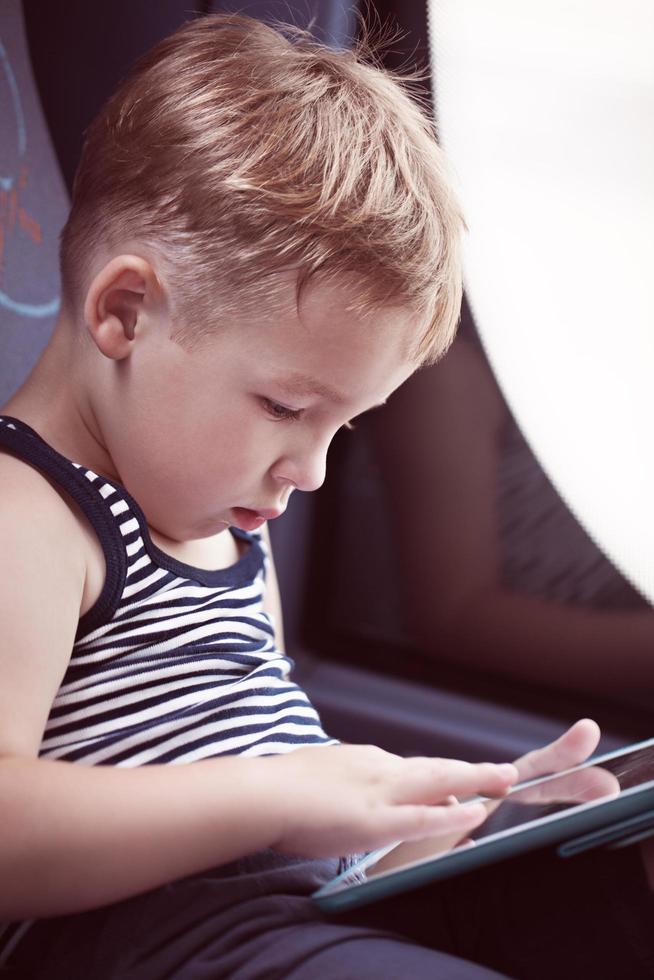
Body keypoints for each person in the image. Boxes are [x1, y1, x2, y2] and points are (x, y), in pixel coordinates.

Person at [0, 14, 652, 979]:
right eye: (285, 407)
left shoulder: (227, 533)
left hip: (304, 920)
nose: (310, 470)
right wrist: (279, 795)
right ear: (127, 312)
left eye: (341, 427)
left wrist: (459, 824)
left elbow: (297, 851)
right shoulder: (31, 515)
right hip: (161, 945)